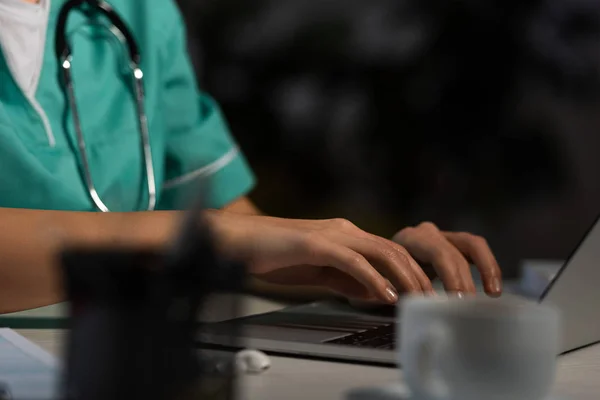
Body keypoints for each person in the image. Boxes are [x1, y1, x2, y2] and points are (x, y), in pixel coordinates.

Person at [0, 0, 501, 314]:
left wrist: (363, 262)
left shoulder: (140, 13)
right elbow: (224, 233)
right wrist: (216, 237)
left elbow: (238, 225)